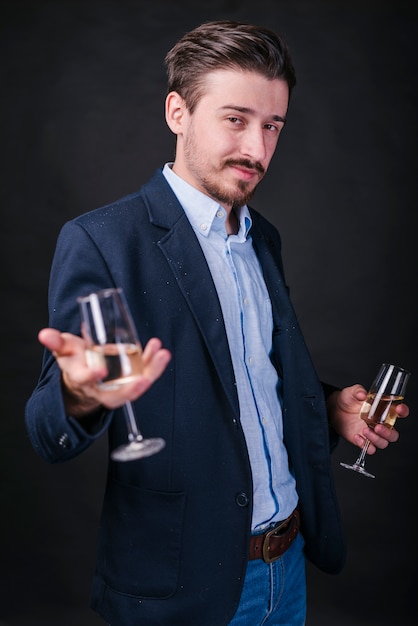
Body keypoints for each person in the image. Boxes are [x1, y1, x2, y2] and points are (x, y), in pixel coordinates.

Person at [25, 20, 409, 626]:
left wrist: (330, 407)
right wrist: (81, 395)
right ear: (178, 112)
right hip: (183, 587)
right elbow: (46, 430)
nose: (257, 150)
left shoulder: (263, 239)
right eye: (235, 119)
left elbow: (249, 380)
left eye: (272, 126)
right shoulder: (101, 240)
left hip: (287, 566)